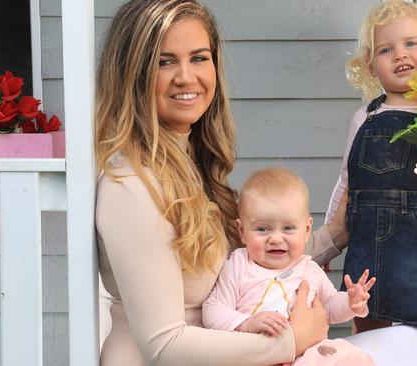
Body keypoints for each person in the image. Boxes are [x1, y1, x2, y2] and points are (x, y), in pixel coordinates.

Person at [95, 1, 349, 365]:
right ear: (132, 72)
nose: (186, 77)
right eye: (164, 61)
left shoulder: (190, 162)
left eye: (199, 58)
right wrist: (289, 342)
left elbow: (250, 261)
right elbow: (164, 344)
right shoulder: (132, 185)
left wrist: (335, 235)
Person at [325, 0, 417, 345]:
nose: (400, 54)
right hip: (367, 252)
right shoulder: (365, 118)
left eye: (410, 43)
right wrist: (327, 247)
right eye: (386, 49)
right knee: (368, 338)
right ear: (371, 67)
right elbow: (346, 183)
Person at [202, 168, 376, 366]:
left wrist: (351, 303)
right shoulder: (239, 265)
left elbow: (329, 309)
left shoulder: (309, 269)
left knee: (349, 358)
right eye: (262, 229)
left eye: (288, 228)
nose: (276, 238)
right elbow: (212, 309)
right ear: (242, 231)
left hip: (306, 357)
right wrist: (246, 323)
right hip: (256, 356)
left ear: (307, 229)